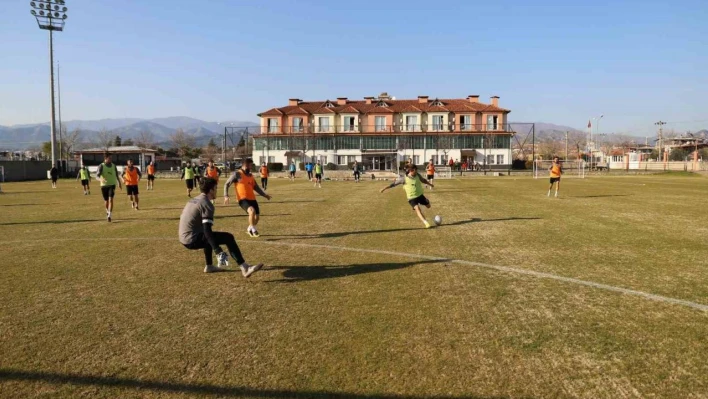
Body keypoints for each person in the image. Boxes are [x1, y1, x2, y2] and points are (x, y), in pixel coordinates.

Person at [179, 177, 263, 276]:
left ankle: (209, 266)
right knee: (228, 237)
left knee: (208, 238)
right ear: (211, 190)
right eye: (215, 188)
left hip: (183, 237)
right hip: (191, 239)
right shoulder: (207, 204)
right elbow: (207, 230)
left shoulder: (195, 199)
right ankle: (245, 268)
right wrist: (217, 250)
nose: (216, 191)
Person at [224, 158, 272, 238]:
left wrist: (265, 195)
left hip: (252, 198)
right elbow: (226, 184)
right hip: (242, 199)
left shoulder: (250, 175)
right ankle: (253, 230)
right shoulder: (237, 174)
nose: (250, 168)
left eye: (251, 166)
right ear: (244, 165)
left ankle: (250, 227)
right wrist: (226, 196)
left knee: (257, 218)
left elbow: (256, 187)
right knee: (251, 211)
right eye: (249, 166)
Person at [380, 163, 435, 229]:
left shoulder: (417, 175)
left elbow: (423, 180)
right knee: (418, 209)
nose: (416, 172)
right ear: (411, 170)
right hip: (411, 198)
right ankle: (426, 223)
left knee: (428, 206)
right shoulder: (403, 179)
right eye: (415, 171)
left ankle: (426, 201)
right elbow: (393, 184)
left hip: (420, 195)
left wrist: (430, 184)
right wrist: (384, 188)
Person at [96, 153, 122, 222]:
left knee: (111, 199)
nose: (111, 159)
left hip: (112, 185)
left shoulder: (114, 166)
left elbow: (116, 175)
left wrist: (119, 183)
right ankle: (107, 211)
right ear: (105, 158)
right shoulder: (101, 166)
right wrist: (101, 179)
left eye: (111, 158)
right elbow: (97, 176)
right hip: (104, 185)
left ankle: (109, 215)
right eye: (109, 158)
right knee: (106, 201)